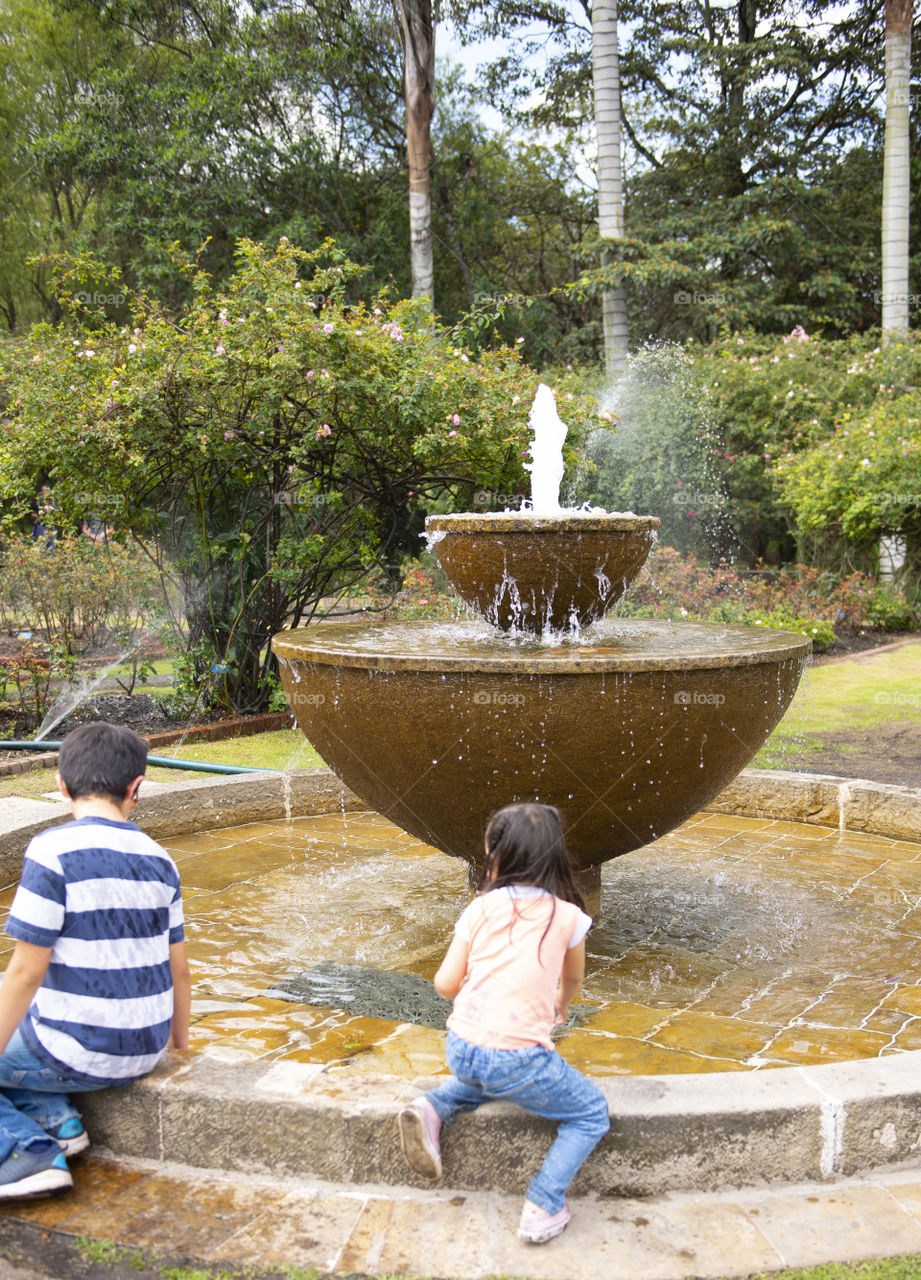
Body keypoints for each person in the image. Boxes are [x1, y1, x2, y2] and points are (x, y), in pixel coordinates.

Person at [398, 802, 610, 1245]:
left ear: (495, 856)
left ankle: (433, 1106)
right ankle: (544, 1202)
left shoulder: (480, 908)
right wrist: (561, 1004)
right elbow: (571, 979)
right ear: (556, 855)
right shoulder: (567, 916)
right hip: (518, 1058)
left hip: (462, 1047)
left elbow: (444, 983)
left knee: (489, 1076)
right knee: (591, 1113)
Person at [0, 722, 191, 1200]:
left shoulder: (51, 851)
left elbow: (25, 972)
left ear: (62, 786)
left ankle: (25, 1155)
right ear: (136, 789)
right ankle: (57, 1121)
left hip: (75, 1050)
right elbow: (180, 969)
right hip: (146, 1050)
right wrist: (179, 1051)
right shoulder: (160, 858)